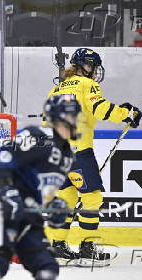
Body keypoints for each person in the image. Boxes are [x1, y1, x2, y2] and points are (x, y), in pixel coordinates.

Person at [0, 95, 81, 280]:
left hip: (28, 218)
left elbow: (42, 191)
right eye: (73, 116)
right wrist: (8, 195)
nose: (76, 121)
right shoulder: (37, 136)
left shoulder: (67, 155)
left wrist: (53, 206)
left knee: (47, 268)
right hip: (0, 209)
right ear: (60, 117)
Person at [47, 48, 141, 266]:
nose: (95, 71)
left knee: (67, 198)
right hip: (79, 151)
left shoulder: (57, 88)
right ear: (84, 66)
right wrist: (127, 114)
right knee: (92, 197)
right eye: (92, 66)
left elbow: (47, 120)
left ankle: (58, 248)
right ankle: (87, 249)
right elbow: (101, 109)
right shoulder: (86, 84)